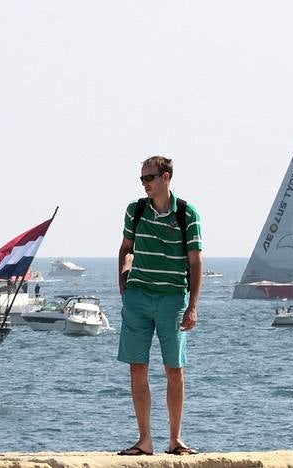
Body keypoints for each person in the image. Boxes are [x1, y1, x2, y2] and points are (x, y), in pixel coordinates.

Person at [117, 155, 202, 457]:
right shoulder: (135, 210)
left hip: (172, 299)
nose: (144, 184)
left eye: (149, 178)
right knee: (137, 367)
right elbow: (126, 248)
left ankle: (175, 440)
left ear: (165, 177)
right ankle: (145, 441)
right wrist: (124, 283)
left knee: (174, 370)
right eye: (141, 179)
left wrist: (192, 306)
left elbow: (195, 261)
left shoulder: (187, 214)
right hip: (138, 298)